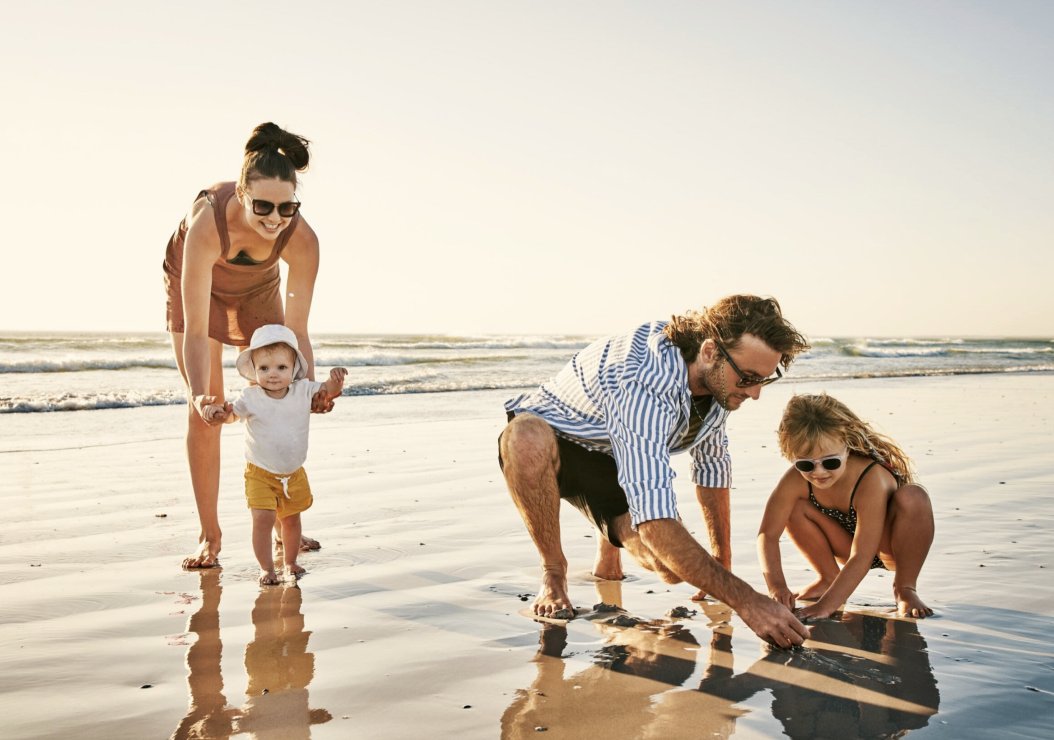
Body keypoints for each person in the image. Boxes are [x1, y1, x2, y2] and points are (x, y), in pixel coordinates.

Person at [499, 295, 813, 648]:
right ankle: (553, 572)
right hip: (554, 437)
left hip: (613, 454)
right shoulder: (643, 381)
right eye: (749, 378)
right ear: (710, 351)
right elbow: (655, 520)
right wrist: (746, 601)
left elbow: (711, 466)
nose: (754, 393)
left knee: (670, 568)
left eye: (764, 381)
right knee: (526, 437)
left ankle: (609, 556)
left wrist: (721, 564)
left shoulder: (722, 384)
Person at [163, 122, 331, 569]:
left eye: (287, 208)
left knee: (279, 394)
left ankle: (284, 523)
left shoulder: (303, 240)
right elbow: (198, 330)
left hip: (257, 287)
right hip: (194, 285)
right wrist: (200, 395)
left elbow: (296, 333)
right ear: (241, 194)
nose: (275, 219)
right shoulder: (208, 224)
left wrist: (309, 391)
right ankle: (209, 537)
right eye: (263, 206)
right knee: (208, 409)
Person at [757, 393, 934, 619]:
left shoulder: (871, 477)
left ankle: (905, 589)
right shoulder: (795, 479)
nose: (818, 472)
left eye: (830, 462)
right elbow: (767, 534)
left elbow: (862, 555)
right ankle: (828, 578)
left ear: (847, 447)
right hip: (846, 545)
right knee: (792, 506)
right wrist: (777, 587)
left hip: (889, 547)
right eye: (805, 464)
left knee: (914, 496)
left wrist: (825, 607)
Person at [204, 324, 347, 585]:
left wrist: (336, 381)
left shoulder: (303, 391)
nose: (272, 374)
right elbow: (231, 414)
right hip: (260, 472)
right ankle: (266, 568)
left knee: (291, 521)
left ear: (293, 369)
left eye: (281, 367)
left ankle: (290, 562)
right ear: (254, 370)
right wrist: (216, 414)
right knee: (263, 519)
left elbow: (328, 391)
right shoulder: (251, 397)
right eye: (264, 368)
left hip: (293, 473)